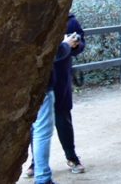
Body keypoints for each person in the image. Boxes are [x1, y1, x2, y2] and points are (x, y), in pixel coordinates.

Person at [27, 14, 86, 177]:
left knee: (63, 119)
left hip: (60, 78)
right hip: (40, 80)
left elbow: (81, 45)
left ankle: (71, 157)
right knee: (36, 124)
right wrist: (66, 45)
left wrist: (75, 45)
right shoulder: (34, 20)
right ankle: (35, 163)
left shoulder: (71, 21)